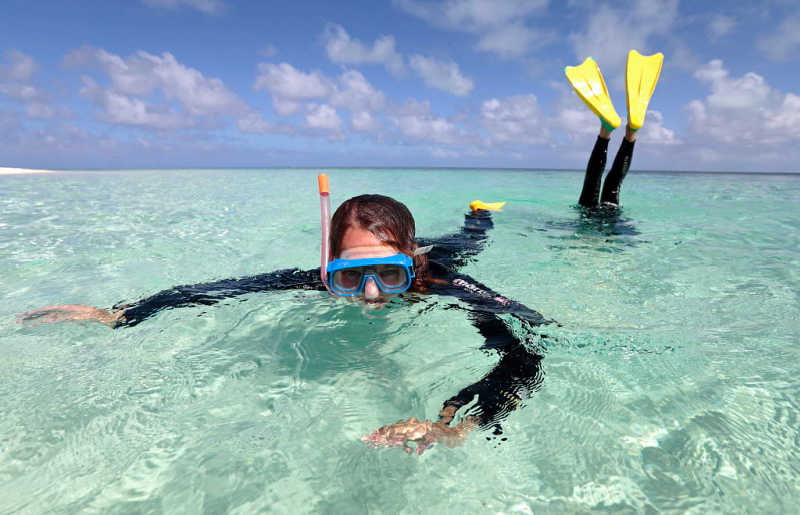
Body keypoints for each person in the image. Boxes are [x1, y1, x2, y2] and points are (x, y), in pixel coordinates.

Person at [19, 194, 550, 456]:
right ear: (328, 268)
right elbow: (217, 290)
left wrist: (460, 422)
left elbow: (528, 347)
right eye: (350, 275)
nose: (370, 294)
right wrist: (124, 314)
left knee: (468, 243)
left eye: (388, 273)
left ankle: (479, 215)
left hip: (441, 257)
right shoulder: (311, 280)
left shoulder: (438, 284)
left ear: (409, 263)